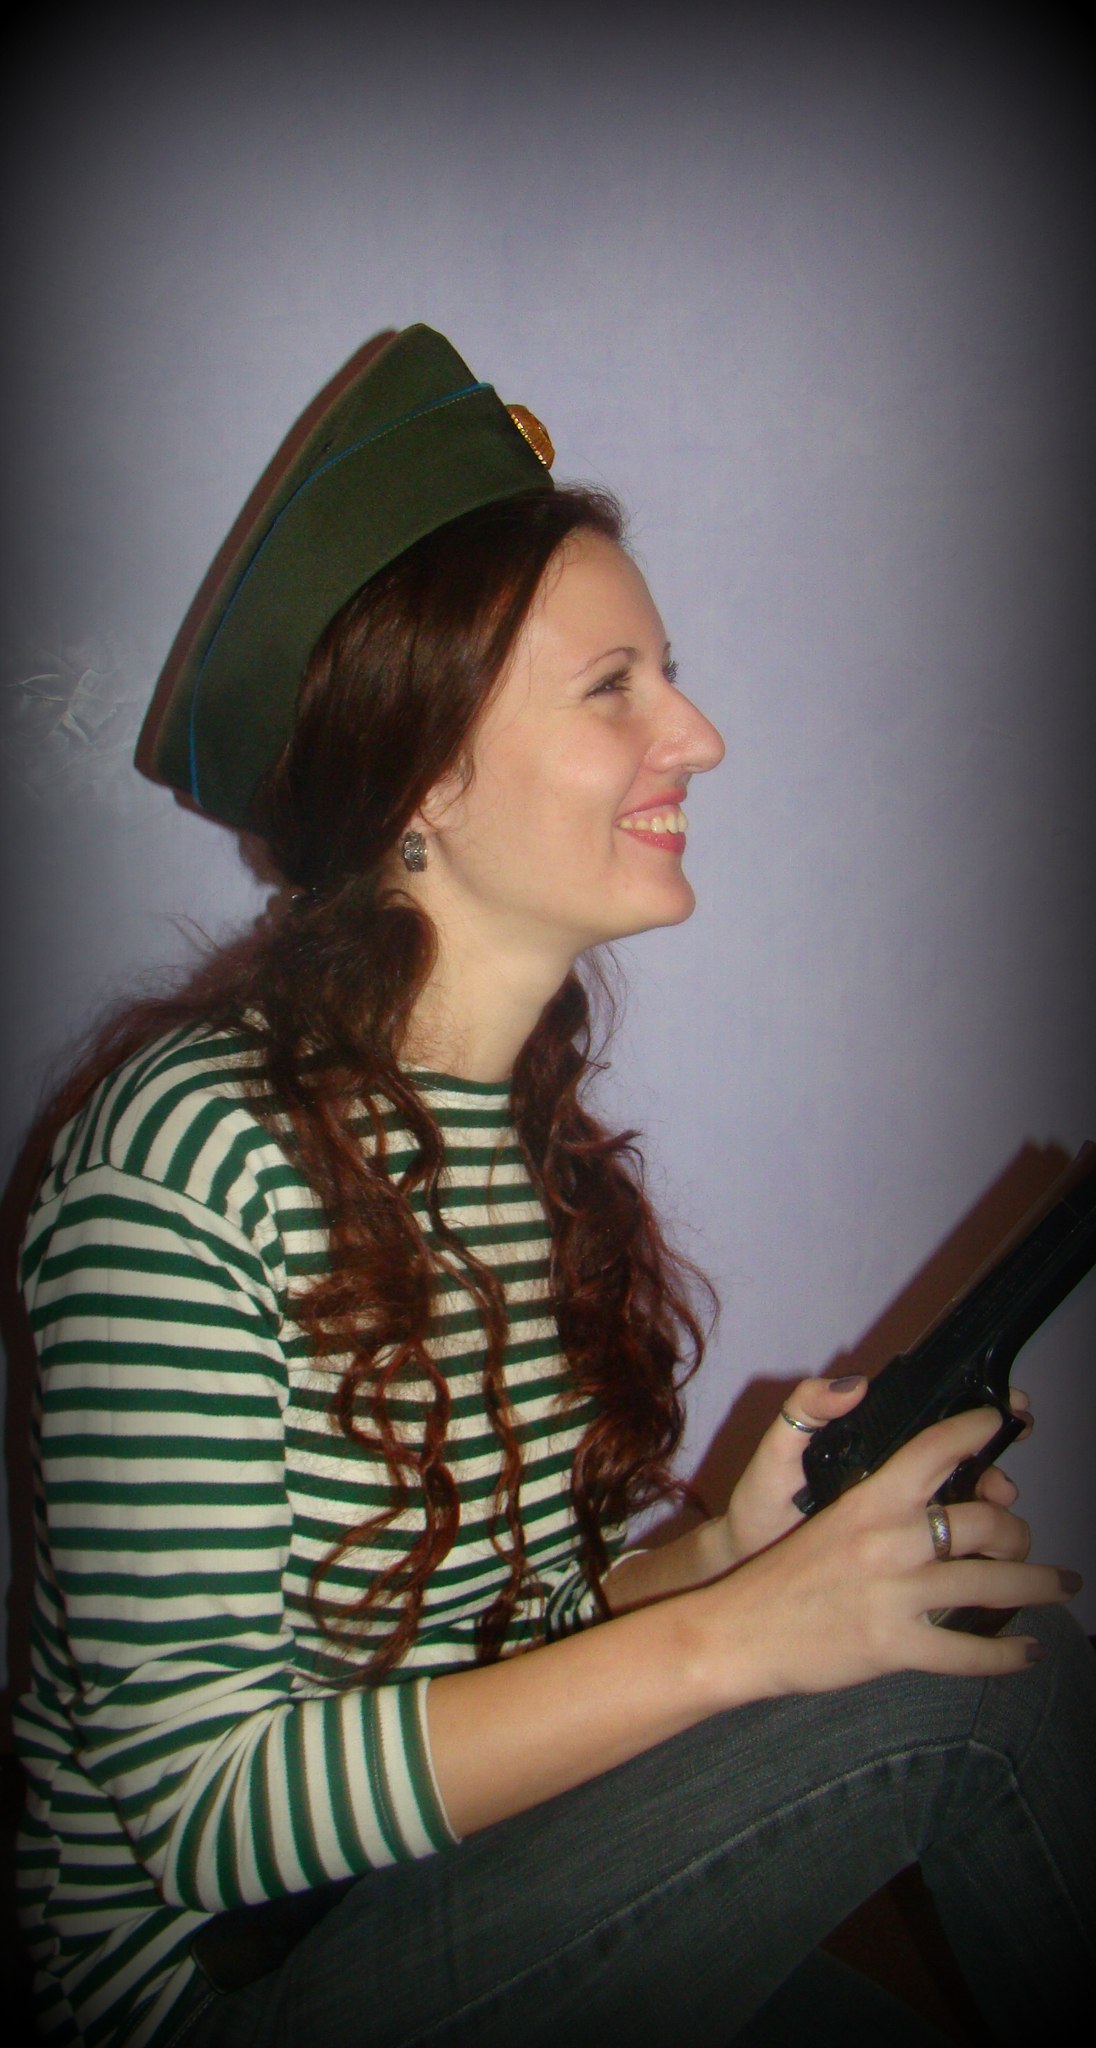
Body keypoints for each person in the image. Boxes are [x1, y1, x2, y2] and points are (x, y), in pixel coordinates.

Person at [13, 325, 1095, 2048]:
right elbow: (209, 1814)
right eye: (615, 689)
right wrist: (751, 1639)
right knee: (963, 1690)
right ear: (428, 772)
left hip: (436, 1893)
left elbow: (500, 1660)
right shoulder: (181, 1164)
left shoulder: (513, 1146)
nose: (700, 736)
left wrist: (728, 1557)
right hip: (210, 1995)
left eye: (672, 679)